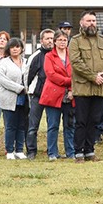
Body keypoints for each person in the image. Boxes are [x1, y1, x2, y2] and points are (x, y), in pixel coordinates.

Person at [69, 10, 103, 163]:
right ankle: (78, 153)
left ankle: (90, 151)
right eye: (88, 21)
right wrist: (93, 76)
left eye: (94, 21)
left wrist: (102, 76)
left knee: (94, 121)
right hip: (82, 88)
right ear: (81, 23)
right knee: (81, 121)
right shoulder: (75, 41)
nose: (92, 24)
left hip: (99, 88)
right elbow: (76, 63)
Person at [39, 30, 75, 160]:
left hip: (70, 95)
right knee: (53, 125)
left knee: (70, 125)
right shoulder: (49, 56)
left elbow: (76, 73)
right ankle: (52, 153)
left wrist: (72, 88)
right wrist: (68, 81)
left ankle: (70, 152)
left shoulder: (73, 55)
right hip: (53, 95)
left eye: (64, 40)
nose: (62, 42)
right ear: (54, 42)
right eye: (59, 40)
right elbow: (51, 74)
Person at [0, 38, 29, 160]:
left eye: (17, 47)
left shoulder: (26, 61)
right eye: (12, 47)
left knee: (21, 125)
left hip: (24, 98)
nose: (15, 49)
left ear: (21, 48)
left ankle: (19, 150)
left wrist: (27, 89)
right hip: (9, 97)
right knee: (10, 125)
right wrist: (18, 88)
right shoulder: (4, 62)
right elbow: (1, 79)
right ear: (8, 49)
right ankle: (9, 150)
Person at [25, 28, 54, 159]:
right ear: (41, 40)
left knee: (52, 126)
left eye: (52, 38)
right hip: (37, 95)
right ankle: (31, 151)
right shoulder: (35, 56)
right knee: (32, 126)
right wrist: (29, 91)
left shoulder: (58, 55)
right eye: (47, 38)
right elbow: (27, 75)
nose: (50, 41)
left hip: (53, 96)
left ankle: (52, 151)